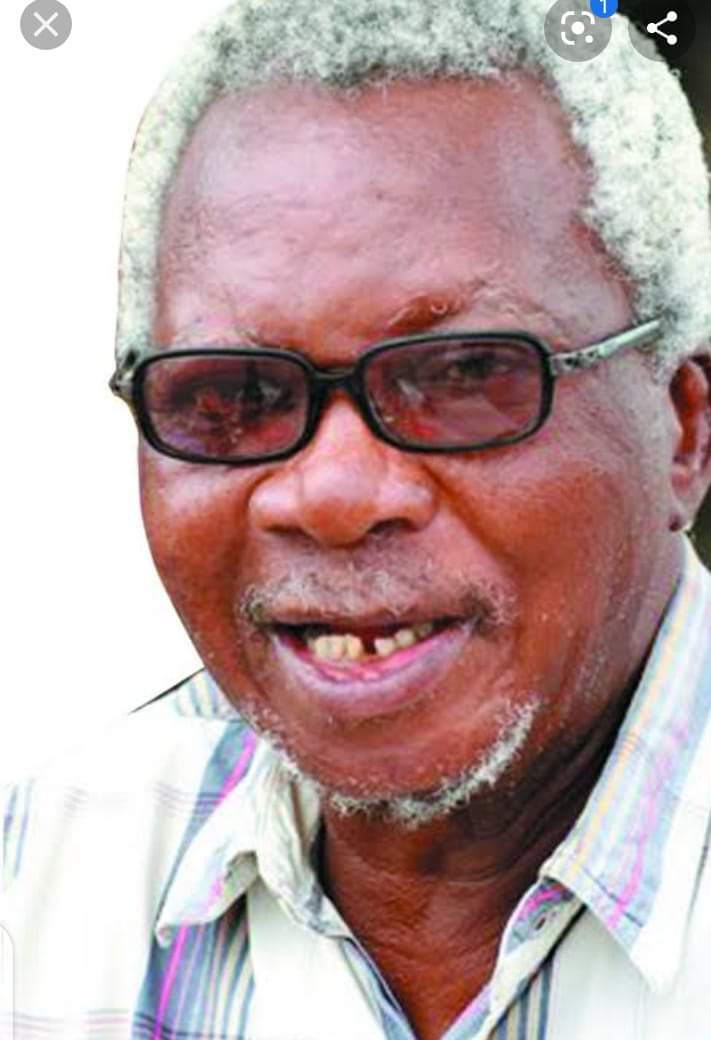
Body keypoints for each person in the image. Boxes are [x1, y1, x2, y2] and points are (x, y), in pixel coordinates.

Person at [3, 1, 711, 1037]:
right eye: (232, 394)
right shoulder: (43, 875)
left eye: (464, 375)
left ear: (683, 431)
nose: (330, 496)